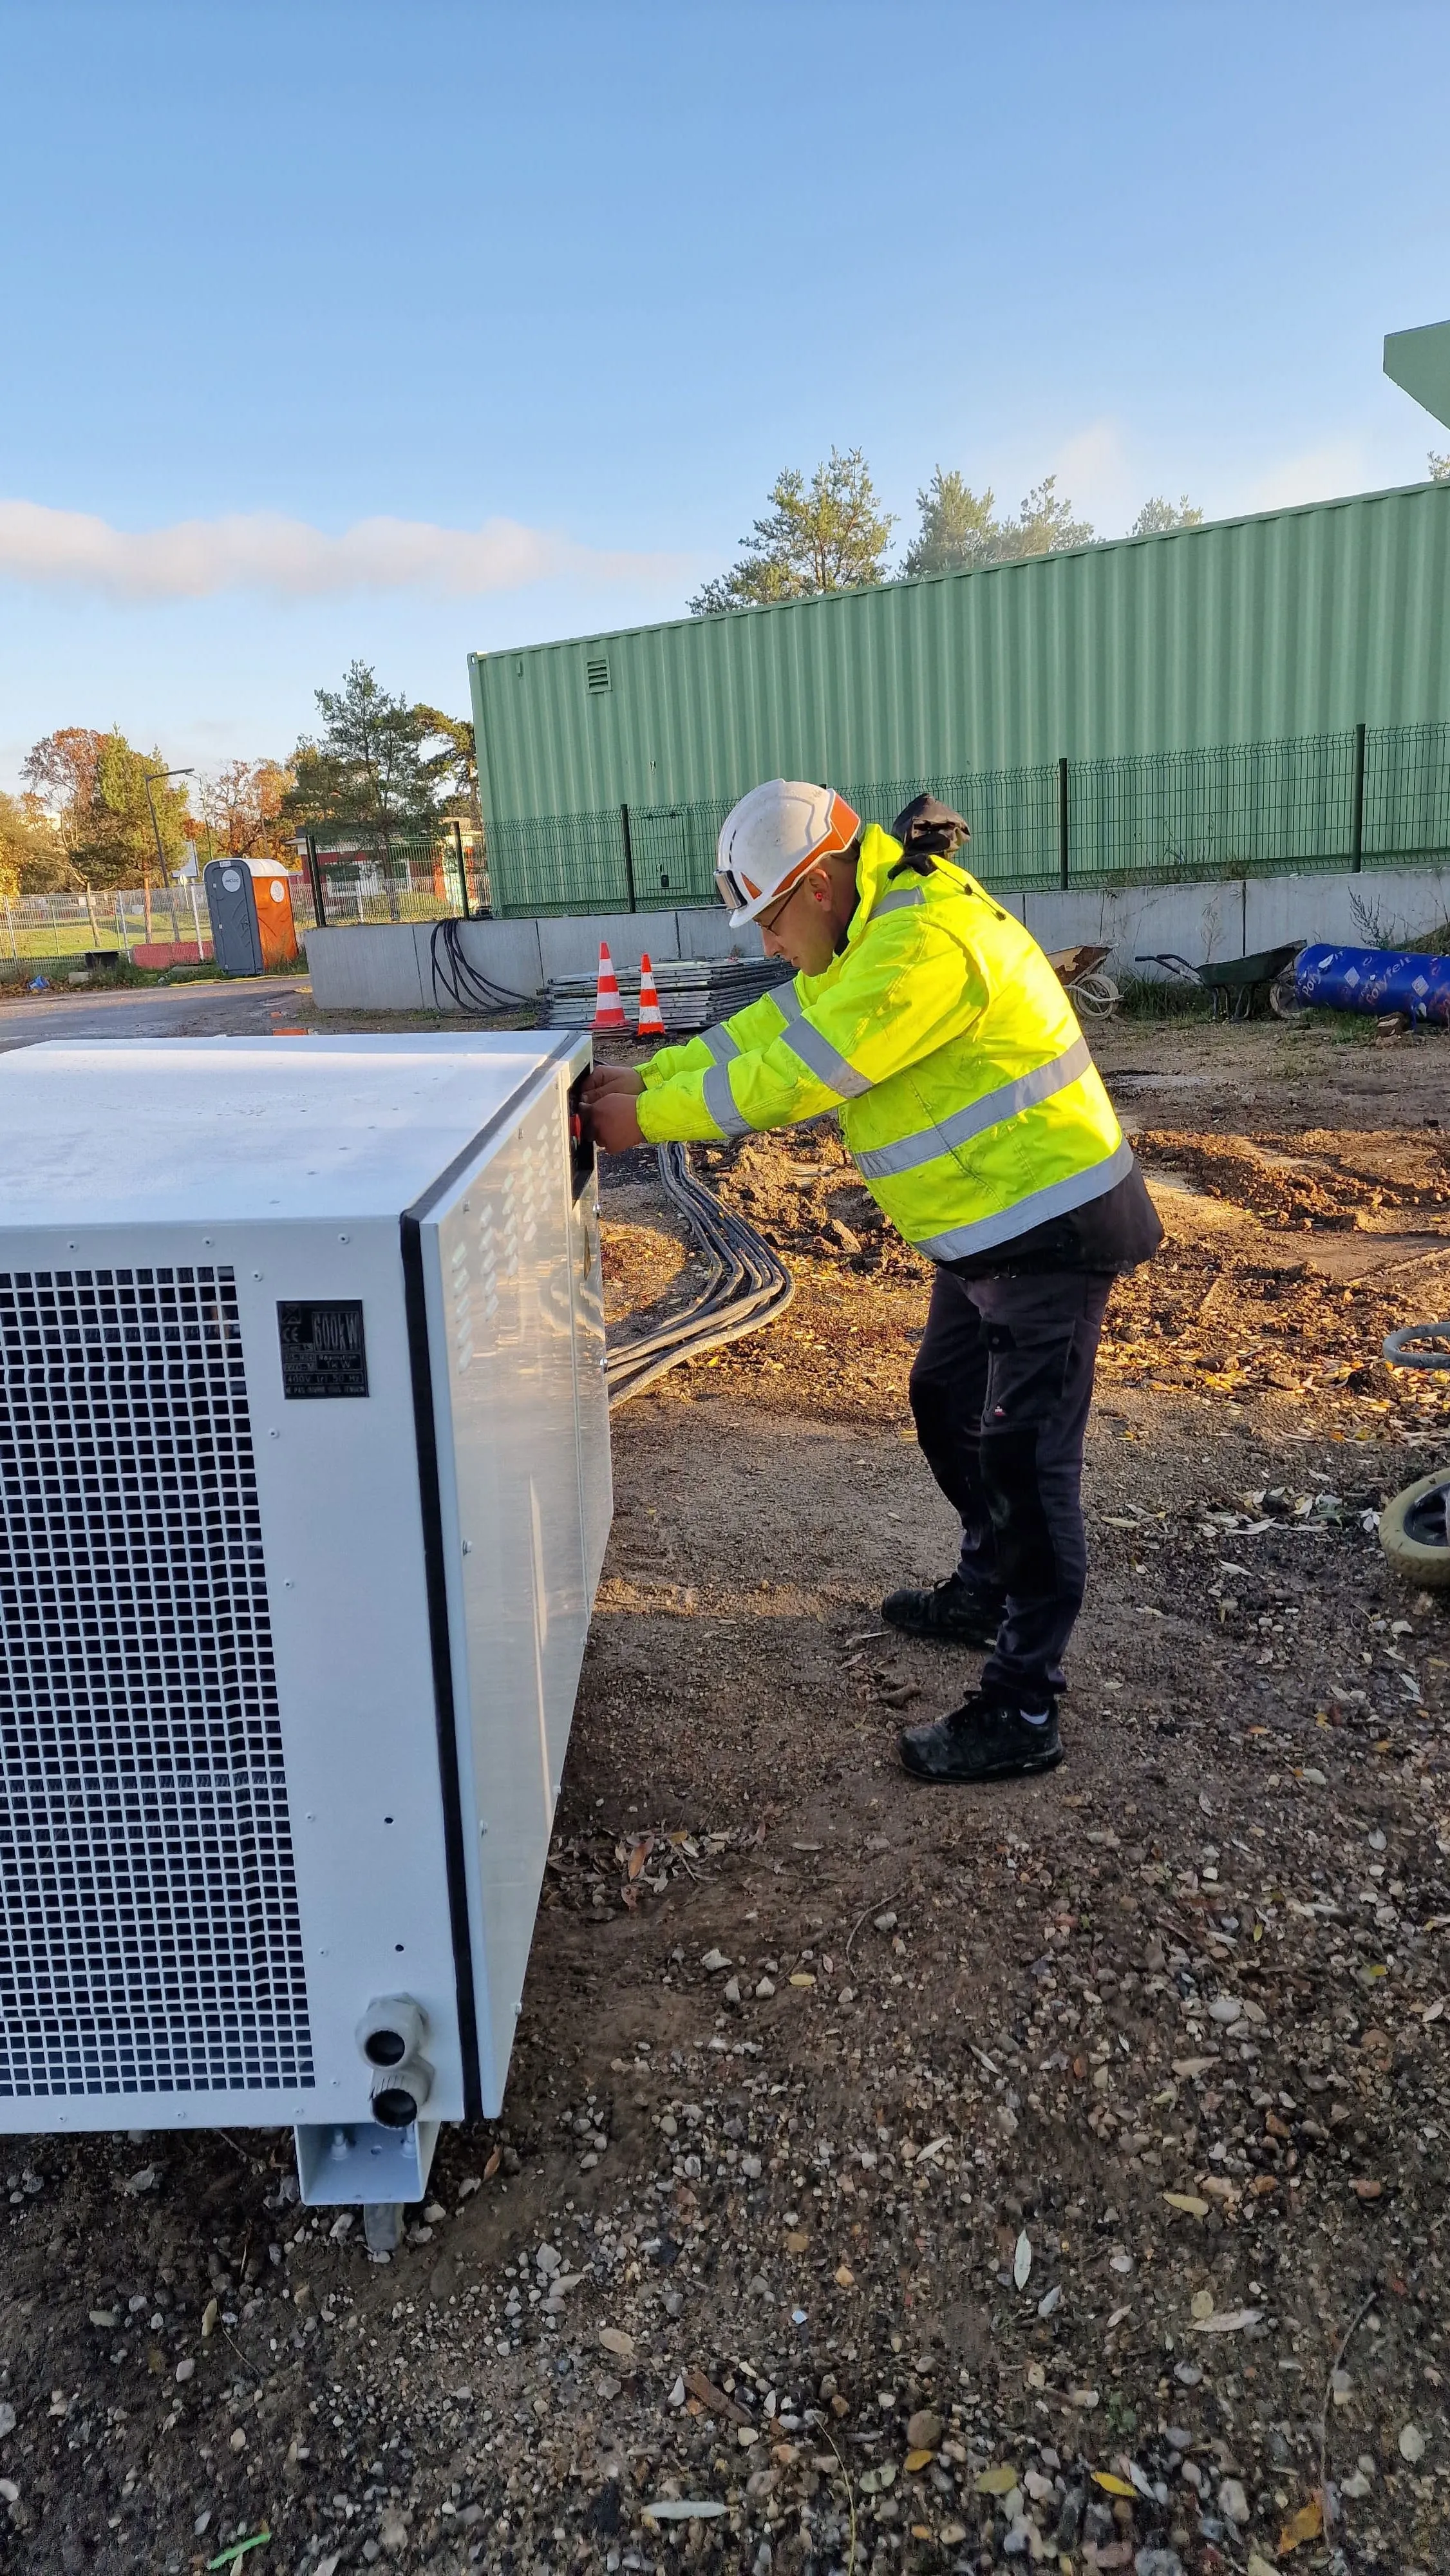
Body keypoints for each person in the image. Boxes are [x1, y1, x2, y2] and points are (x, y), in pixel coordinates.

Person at [583, 780, 1160, 1785]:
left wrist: (653, 1118)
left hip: (1049, 1231)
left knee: (1027, 1466)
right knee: (945, 1404)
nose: (767, 945)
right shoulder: (864, 934)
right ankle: (986, 1588)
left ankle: (1023, 1706)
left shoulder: (919, 945)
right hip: (988, 1231)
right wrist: (656, 1074)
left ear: (814, 888)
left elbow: (802, 1071)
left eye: (768, 920)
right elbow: (770, 1031)